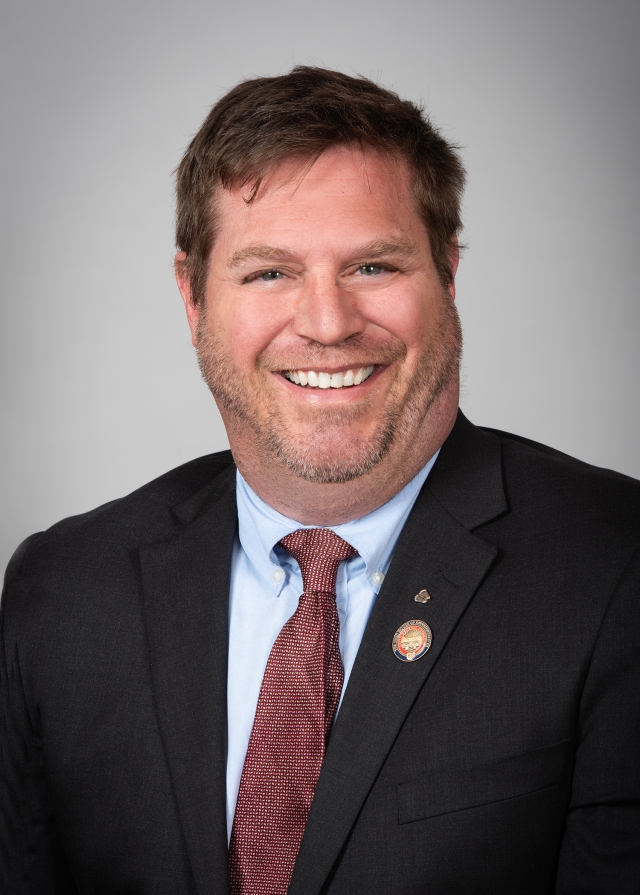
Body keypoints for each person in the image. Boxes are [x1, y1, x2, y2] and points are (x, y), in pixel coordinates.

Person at [1, 66, 639, 895]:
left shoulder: (614, 569)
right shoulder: (61, 595)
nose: (328, 323)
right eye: (269, 272)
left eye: (373, 266)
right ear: (192, 298)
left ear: (448, 273)